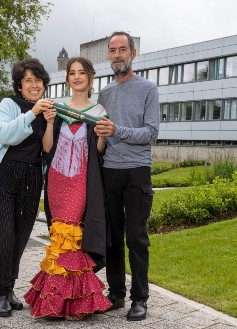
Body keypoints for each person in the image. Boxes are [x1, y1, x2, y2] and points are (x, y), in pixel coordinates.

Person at [24, 57, 112, 319]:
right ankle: (56, 301)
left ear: (90, 77)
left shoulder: (98, 112)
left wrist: (103, 137)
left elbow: (97, 153)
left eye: (81, 73)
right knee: (59, 236)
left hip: (81, 180)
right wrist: (50, 122)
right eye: (72, 73)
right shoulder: (57, 107)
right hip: (57, 178)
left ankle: (70, 302)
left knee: (72, 235)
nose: (76, 77)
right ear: (67, 78)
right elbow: (48, 149)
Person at [94, 31, 160, 321]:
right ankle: (116, 294)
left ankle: (140, 299)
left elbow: (151, 133)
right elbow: (98, 133)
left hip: (137, 171)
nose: (117, 55)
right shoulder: (105, 93)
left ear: (133, 53)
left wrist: (117, 131)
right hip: (110, 171)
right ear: (109, 55)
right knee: (113, 238)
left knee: (136, 237)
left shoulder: (148, 88)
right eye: (112, 50)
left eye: (123, 49)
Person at [0, 58, 52, 317]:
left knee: (21, 237)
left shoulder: (48, 110)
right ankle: (0, 293)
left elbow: (48, 148)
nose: (34, 85)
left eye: (37, 80)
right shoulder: (9, 105)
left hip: (31, 178)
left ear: (44, 83)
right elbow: (5, 135)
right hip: (2, 174)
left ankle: (9, 287)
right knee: (4, 236)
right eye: (28, 80)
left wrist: (50, 121)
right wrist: (33, 113)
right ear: (20, 86)